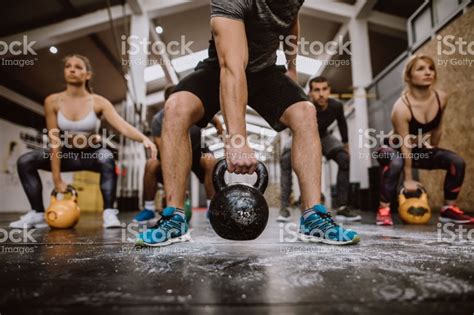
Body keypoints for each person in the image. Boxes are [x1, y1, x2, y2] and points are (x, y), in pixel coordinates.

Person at [136, 0, 360, 246]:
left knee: (305, 111)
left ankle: (313, 217)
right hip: (221, 68)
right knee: (176, 107)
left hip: (266, 71)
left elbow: (291, 19)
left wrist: (292, 67)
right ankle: (175, 218)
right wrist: (237, 141)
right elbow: (232, 68)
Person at [10, 54, 157, 229]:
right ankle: (37, 213)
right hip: (67, 154)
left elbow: (122, 126)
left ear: (87, 75)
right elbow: (54, 141)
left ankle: (109, 213)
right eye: (68, 66)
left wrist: (144, 139)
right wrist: (57, 180)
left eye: (78, 67)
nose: (72, 69)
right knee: (26, 161)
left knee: (107, 157)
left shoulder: (98, 102)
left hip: (92, 155)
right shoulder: (52, 101)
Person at [375, 54, 471, 225]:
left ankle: (448, 210)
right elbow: (404, 145)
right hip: (393, 148)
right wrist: (409, 179)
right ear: (409, 76)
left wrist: (432, 150)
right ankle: (384, 209)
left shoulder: (441, 98)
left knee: (456, 161)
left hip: (416, 148)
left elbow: (437, 128)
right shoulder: (401, 107)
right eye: (421, 69)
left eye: (431, 68)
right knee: (396, 162)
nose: (428, 72)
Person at [133, 85, 224, 225]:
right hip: (172, 155)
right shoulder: (158, 119)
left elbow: (216, 121)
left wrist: (222, 134)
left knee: (210, 161)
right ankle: (149, 209)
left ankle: (211, 207)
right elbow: (163, 150)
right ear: (167, 104)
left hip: (197, 152)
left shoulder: (195, 111)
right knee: (151, 164)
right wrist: (179, 186)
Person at [278, 77, 361, 222]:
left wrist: (346, 145)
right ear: (310, 93)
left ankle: (342, 207)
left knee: (344, 159)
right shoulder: (303, 105)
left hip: (324, 136)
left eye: (324, 89)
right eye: (317, 90)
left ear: (329, 91)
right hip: (303, 135)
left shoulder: (336, 106)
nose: (321, 94)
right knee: (285, 158)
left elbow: (342, 123)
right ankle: (284, 207)